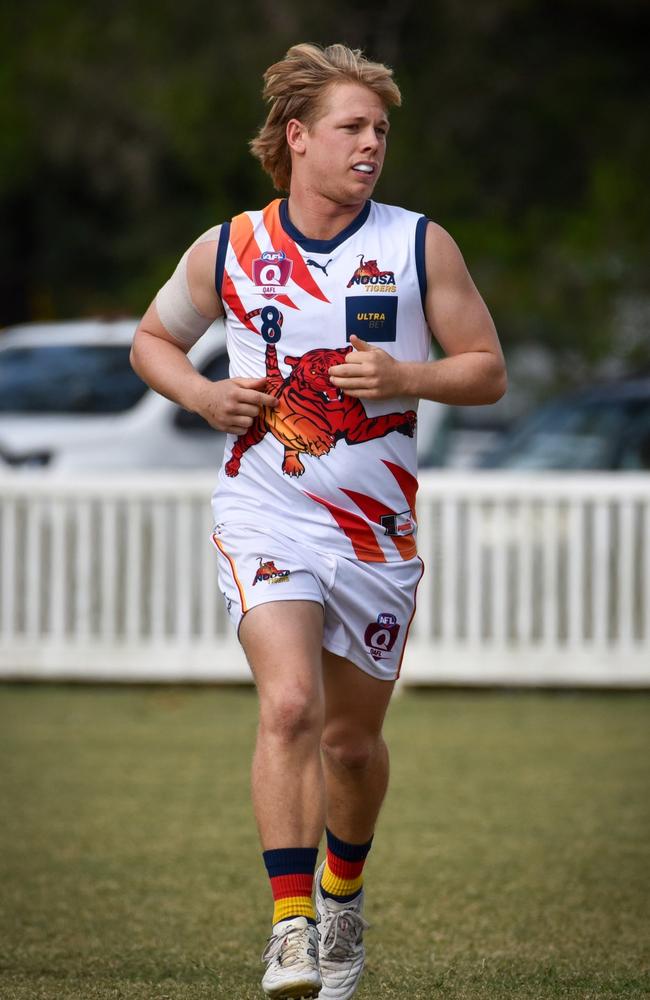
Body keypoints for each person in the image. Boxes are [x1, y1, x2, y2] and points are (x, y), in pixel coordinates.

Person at [131, 42, 506, 1000]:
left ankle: (343, 890)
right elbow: (152, 339)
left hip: (376, 537)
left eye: (381, 129)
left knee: (349, 742)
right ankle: (292, 928)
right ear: (297, 138)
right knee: (289, 706)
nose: (372, 144)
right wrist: (203, 396)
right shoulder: (232, 248)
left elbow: (487, 370)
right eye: (352, 126)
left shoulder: (420, 245)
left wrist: (408, 377)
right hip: (264, 510)